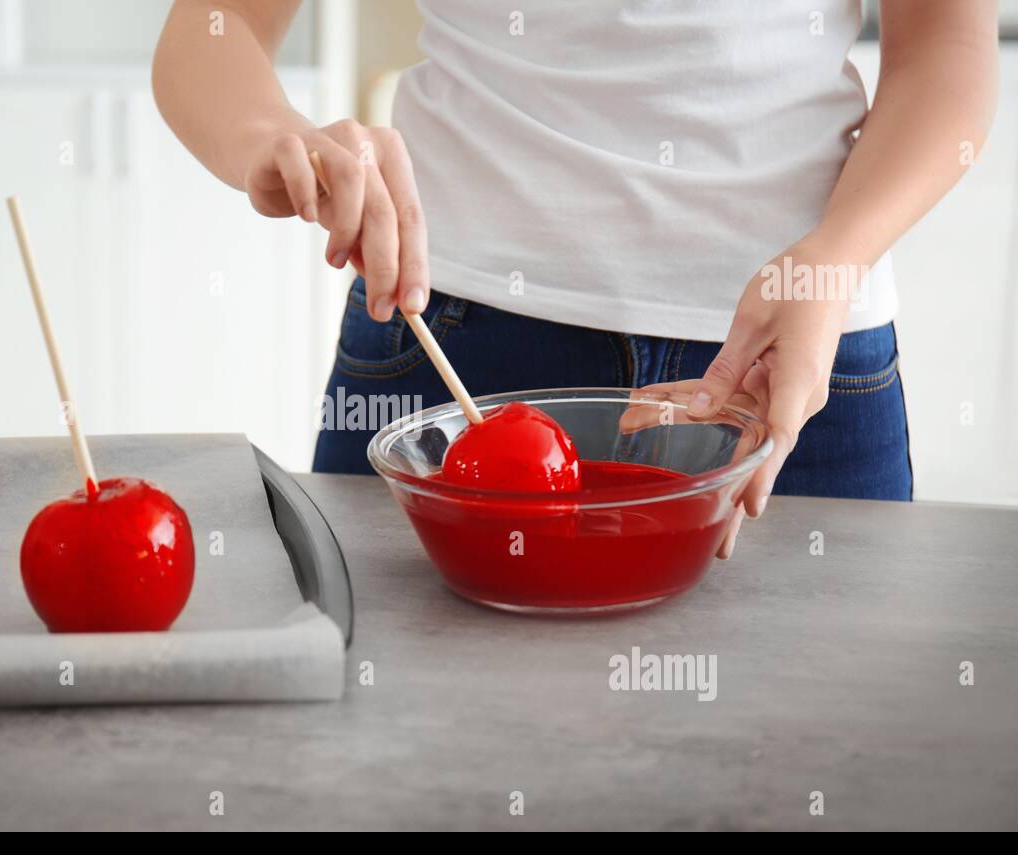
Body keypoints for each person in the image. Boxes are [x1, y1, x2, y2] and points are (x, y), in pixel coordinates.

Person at [154, 1, 998, 557]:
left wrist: (834, 260)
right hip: (447, 342)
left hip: (799, 360)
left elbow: (946, 44)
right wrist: (271, 135)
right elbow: (218, 21)